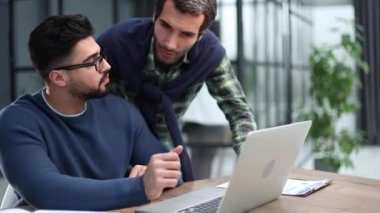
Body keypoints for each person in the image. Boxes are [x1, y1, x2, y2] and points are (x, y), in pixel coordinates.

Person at [0, 14, 183, 211]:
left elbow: (173, 171)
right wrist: (140, 187)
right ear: (59, 78)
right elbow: (46, 191)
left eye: (101, 55)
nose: (106, 66)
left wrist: (155, 174)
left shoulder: (119, 110)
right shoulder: (16, 121)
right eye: (93, 62)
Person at [97, 0, 257, 182]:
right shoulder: (118, 41)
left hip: (165, 149)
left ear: (201, 36)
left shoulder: (210, 54)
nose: (170, 44)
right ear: (154, 16)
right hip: (111, 148)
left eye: (186, 34)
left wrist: (252, 161)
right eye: (165, 26)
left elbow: (238, 110)